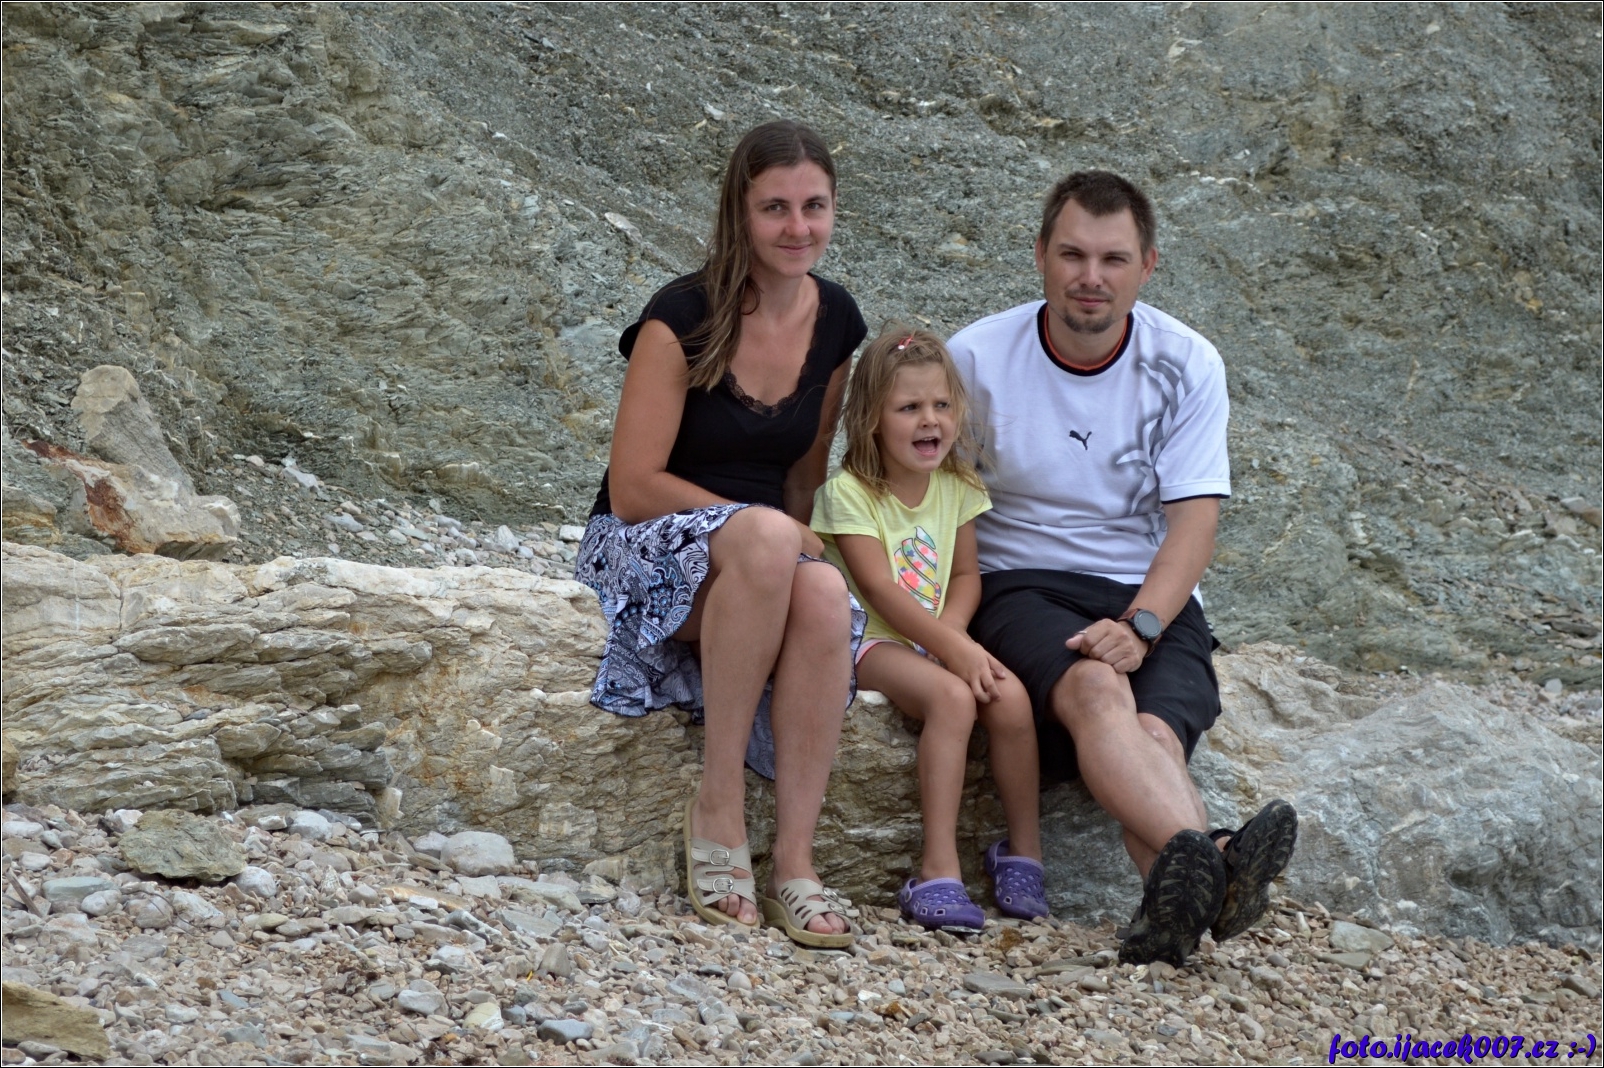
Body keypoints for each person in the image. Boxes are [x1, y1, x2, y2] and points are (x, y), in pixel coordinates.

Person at [948, 170, 1297, 966]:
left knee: (1153, 732)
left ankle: (1168, 920)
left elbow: (1194, 522)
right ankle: (1217, 857)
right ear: (1040, 254)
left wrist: (1142, 624)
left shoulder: (1187, 362)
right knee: (1097, 689)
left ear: (1148, 265)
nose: (1090, 277)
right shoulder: (976, 357)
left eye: (1113, 259)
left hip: (1150, 592)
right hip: (1021, 581)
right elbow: (938, 499)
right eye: (1072, 255)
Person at [574, 120, 867, 948]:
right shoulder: (681, 316)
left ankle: (796, 860)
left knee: (823, 592)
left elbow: (805, 475)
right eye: (775, 207)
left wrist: (786, 541)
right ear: (739, 211)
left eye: (814, 206)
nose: (797, 227)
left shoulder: (837, 322)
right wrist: (758, 530)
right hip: (646, 542)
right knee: (772, 543)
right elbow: (633, 486)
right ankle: (719, 804)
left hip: (758, 563)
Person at [811, 328, 1045, 932]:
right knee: (952, 697)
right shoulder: (849, 494)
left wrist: (954, 636)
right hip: (867, 639)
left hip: (934, 635)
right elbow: (879, 589)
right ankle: (938, 868)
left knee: (1012, 698)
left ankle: (1023, 854)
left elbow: (966, 574)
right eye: (909, 407)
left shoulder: (957, 486)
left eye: (942, 405)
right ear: (871, 419)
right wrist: (948, 651)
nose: (929, 421)